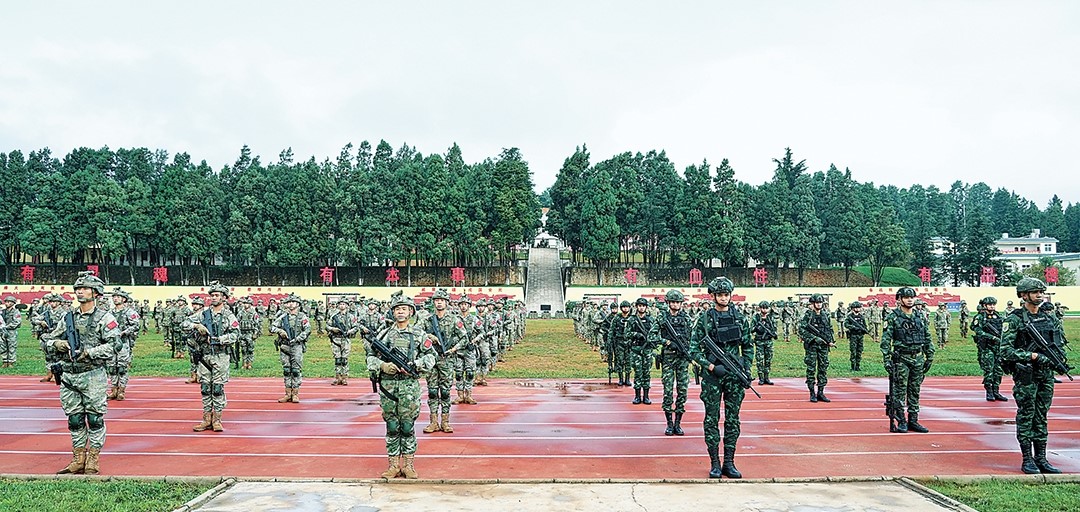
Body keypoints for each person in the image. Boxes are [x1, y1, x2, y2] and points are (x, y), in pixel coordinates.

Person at [43, 271, 121, 474]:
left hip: (92, 375)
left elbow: (115, 345)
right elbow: (48, 340)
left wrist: (89, 352)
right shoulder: (67, 317)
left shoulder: (105, 317)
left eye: (85, 288)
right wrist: (58, 343)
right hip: (69, 376)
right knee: (75, 419)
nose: (80, 292)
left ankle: (93, 458)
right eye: (78, 289)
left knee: (95, 419)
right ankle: (78, 458)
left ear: (95, 292)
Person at [1000, 278, 1068, 474]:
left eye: (1041, 292)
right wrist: (1033, 356)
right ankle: (1027, 459)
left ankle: (1041, 458)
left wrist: (1058, 360)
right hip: (1026, 375)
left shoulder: (1050, 318)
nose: (1040, 295)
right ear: (1023, 295)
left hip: (1046, 375)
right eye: (1035, 292)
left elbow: (1058, 343)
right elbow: (1005, 351)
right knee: (1026, 415)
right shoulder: (1014, 319)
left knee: (1041, 416)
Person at [367, 293, 437, 479]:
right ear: (392, 312)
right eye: (397, 309)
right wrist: (383, 366)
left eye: (404, 308)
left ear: (411, 312)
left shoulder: (419, 334)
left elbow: (431, 357)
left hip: (409, 388)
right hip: (388, 389)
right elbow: (370, 357)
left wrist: (416, 365)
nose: (400, 312)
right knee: (391, 426)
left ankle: (408, 465)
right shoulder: (384, 335)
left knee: (407, 426)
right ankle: (393, 465)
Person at [690, 277, 752, 479]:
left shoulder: (740, 318)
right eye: (720, 295)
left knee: (733, 420)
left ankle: (729, 462)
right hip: (713, 377)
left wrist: (746, 368)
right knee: (711, 419)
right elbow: (693, 349)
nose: (724, 298)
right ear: (713, 296)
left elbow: (748, 345)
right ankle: (715, 463)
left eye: (727, 294)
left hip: (734, 377)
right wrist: (710, 366)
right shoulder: (705, 320)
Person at [183, 281, 239, 432]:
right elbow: (185, 323)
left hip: (221, 356)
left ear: (224, 298)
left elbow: (235, 334)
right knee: (205, 388)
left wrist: (219, 339)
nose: (213, 298)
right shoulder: (203, 314)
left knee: (218, 389)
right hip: (204, 356)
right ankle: (206, 418)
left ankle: (217, 419)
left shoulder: (229, 316)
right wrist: (197, 326)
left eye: (217, 295)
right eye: (212, 295)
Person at [880, 287, 934, 433]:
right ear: (899, 299)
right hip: (901, 359)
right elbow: (885, 341)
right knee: (899, 391)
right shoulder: (893, 317)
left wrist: (930, 356)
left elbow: (927, 337)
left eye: (912, 297)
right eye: (906, 297)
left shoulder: (920, 316)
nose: (910, 299)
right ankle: (901, 420)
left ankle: (913, 420)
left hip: (918, 358)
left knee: (915, 390)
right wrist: (886, 360)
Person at [420, 289, 467, 433]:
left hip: (447, 359)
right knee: (433, 391)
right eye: (436, 300)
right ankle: (433, 422)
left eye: (442, 300)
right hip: (432, 360)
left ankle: (445, 422)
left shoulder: (454, 320)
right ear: (433, 302)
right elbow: (417, 334)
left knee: (445, 392)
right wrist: (429, 336)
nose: (439, 302)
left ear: (446, 302)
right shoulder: (427, 320)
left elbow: (464, 338)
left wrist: (454, 349)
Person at [651, 290, 692, 435]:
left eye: (678, 302)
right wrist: (667, 342)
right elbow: (651, 336)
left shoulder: (686, 318)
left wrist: (689, 351)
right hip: (668, 358)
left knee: (683, 391)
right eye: (672, 302)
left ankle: (678, 423)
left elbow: (692, 338)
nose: (675, 305)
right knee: (668, 391)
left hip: (682, 359)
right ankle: (669, 423)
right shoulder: (662, 318)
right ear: (668, 303)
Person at [270, 294, 311, 403]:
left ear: (298, 304)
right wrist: (280, 331)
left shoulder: (302, 317)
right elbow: (272, 327)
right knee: (287, 370)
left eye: (292, 302)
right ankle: (288, 393)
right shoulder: (283, 317)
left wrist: (297, 339)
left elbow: (307, 330)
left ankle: (295, 393)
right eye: (288, 302)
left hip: (296, 345)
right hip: (284, 346)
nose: (290, 304)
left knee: (296, 370)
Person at [799, 294, 834, 403]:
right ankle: (812, 392)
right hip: (812, 346)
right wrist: (814, 338)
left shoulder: (825, 315)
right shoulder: (808, 315)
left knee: (823, 368)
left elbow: (829, 328)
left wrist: (830, 340)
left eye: (820, 302)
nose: (819, 304)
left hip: (823, 346)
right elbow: (801, 330)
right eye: (817, 302)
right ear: (812, 304)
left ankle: (821, 392)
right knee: (811, 369)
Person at [106, 288, 140, 401]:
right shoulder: (109, 313)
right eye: (114, 297)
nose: (115, 298)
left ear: (124, 299)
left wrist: (125, 332)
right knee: (111, 367)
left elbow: (136, 325)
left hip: (124, 343)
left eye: (118, 296)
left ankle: (121, 390)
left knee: (122, 368)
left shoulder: (130, 312)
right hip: (111, 343)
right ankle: (113, 389)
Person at [972, 297, 1008, 402]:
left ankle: (996, 391)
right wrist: (992, 337)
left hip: (998, 347)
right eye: (990, 304)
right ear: (985, 306)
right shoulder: (980, 317)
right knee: (989, 369)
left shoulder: (998, 316)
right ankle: (989, 391)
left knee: (998, 370)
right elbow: (977, 330)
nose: (992, 306)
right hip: (987, 347)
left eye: (993, 304)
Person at [624, 297, 656, 405]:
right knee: (638, 373)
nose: (641, 307)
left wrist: (652, 340)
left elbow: (656, 333)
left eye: (643, 306)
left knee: (646, 373)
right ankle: (637, 396)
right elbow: (626, 334)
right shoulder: (632, 320)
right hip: (636, 349)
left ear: (646, 307)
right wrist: (636, 334)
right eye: (639, 306)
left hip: (647, 350)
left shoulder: (651, 320)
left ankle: (646, 396)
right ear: (637, 307)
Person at [455, 295, 482, 405]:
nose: (463, 306)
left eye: (465, 304)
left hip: (470, 350)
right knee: (458, 374)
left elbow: (482, 332)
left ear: (469, 306)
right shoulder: (455, 319)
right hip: (458, 350)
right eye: (461, 304)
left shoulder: (474, 319)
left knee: (470, 373)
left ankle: (468, 395)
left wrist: (475, 340)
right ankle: (460, 396)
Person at [34, 294, 66, 382]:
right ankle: (49, 374)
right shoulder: (47, 313)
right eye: (51, 302)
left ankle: (59, 375)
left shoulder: (63, 313)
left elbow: (64, 327)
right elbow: (34, 319)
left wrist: (53, 334)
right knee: (48, 356)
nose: (52, 304)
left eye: (54, 302)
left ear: (59, 303)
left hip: (57, 337)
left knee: (58, 356)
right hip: (46, 338)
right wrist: (41, 322)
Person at [327, 297, 360, 385]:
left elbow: (356, 327)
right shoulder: (334, 316)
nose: (342, 306)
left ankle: (345, 377)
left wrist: (349, 331)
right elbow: (327, 326)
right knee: (337, 359)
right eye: (340, 304)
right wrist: (332, 329)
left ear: (347, 306)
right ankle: (338, 377)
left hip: (346, 339)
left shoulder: (351, 316)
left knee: (344, 359)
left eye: (344, 304)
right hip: (336, 339)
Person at [750, 301, 777, 385]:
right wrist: (757, 328)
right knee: (760, 360)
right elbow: (751, 329)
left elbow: (774, 328)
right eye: (763, 308)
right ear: (760, 308)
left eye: (766, 308)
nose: (765, 310)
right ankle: (761, 378)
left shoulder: (770, 318)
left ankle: (767, 377)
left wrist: (772, 333)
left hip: (769, 341)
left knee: (768, 360)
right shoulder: (756, 317)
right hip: (759, 341)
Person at [608, 301, 633, 387]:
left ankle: (627, 379)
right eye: (624, 307)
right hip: (619, 342)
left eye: (627, 307)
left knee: (628, 361)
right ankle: (621, 379)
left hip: (630, 343)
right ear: (621, 308)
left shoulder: (632, 318)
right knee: (620, 360)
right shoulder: (617, 318)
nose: (625, 309)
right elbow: (611, 330)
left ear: (629, 308)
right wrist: (609, 340)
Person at [845, 301, 870, 371]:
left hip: (860, 336)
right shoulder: (850, 316)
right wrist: (853, 327)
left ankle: (858, 366)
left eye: (859, 308)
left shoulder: (861, 317)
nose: (858, 309)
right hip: (853, 335)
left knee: (859, 351)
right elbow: (846, 324)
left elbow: (864, 325)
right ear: (853, 308)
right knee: (853, 351)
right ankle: (853, 366)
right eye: (856, 308)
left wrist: (865, 330)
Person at [236, 297, 259, 370]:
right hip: (242, 333)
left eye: (247, 303)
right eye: (245, 303)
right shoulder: (240, 312)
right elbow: (237, 323)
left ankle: (249, 363)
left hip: (250, 333)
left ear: (250, 304)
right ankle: (244, 363)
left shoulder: (254, 313)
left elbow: (257, 324)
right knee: (243, 349)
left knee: (250, 349)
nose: (246, 305)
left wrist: (255, 333)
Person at [1, 296, 22, 367]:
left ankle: (11, 362)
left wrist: (6, 327)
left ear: (13, 303)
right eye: (6, 302)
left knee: (11, 346)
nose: (6, 303)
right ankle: (5, 361)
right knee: (3, 346)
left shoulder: (16, 312)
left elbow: (17, 322)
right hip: (3, 331)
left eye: (8, 302)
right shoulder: (3, 311)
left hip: (11, 331)